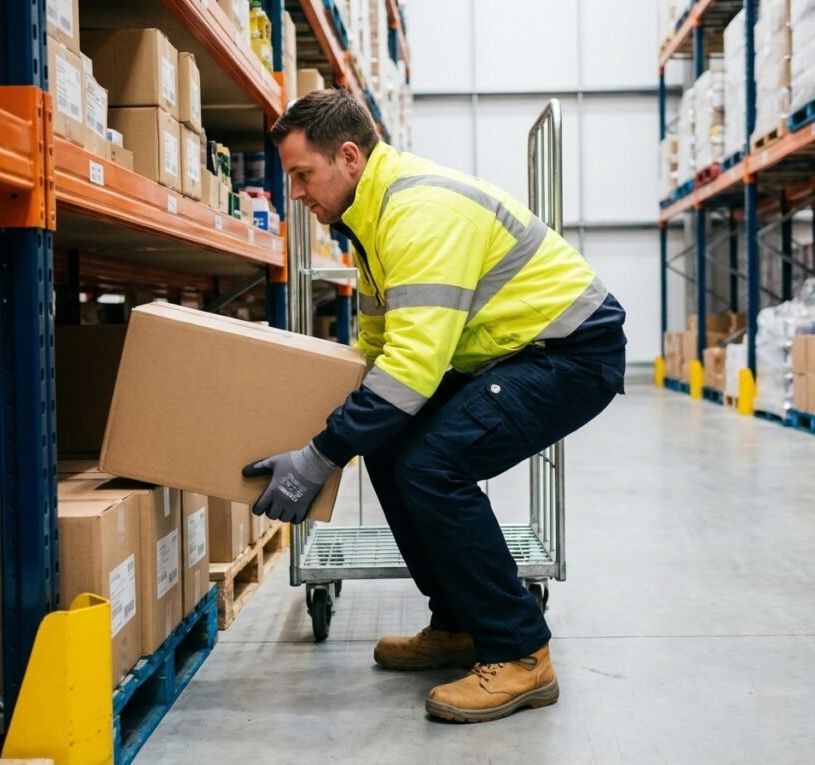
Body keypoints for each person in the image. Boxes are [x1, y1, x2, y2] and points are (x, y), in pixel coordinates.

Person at [243, 88, 626, 723]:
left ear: (348, 157)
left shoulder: (418, 212)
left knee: (432, 464)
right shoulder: (368, 222)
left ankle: (520, 653)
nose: (299, 193)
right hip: (511, 353)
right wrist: (329, 426)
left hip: (571, 353)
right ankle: (458, 623)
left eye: (303, 176)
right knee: (392, 446)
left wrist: (320, 455)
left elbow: (412, 370)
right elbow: (377, 345)